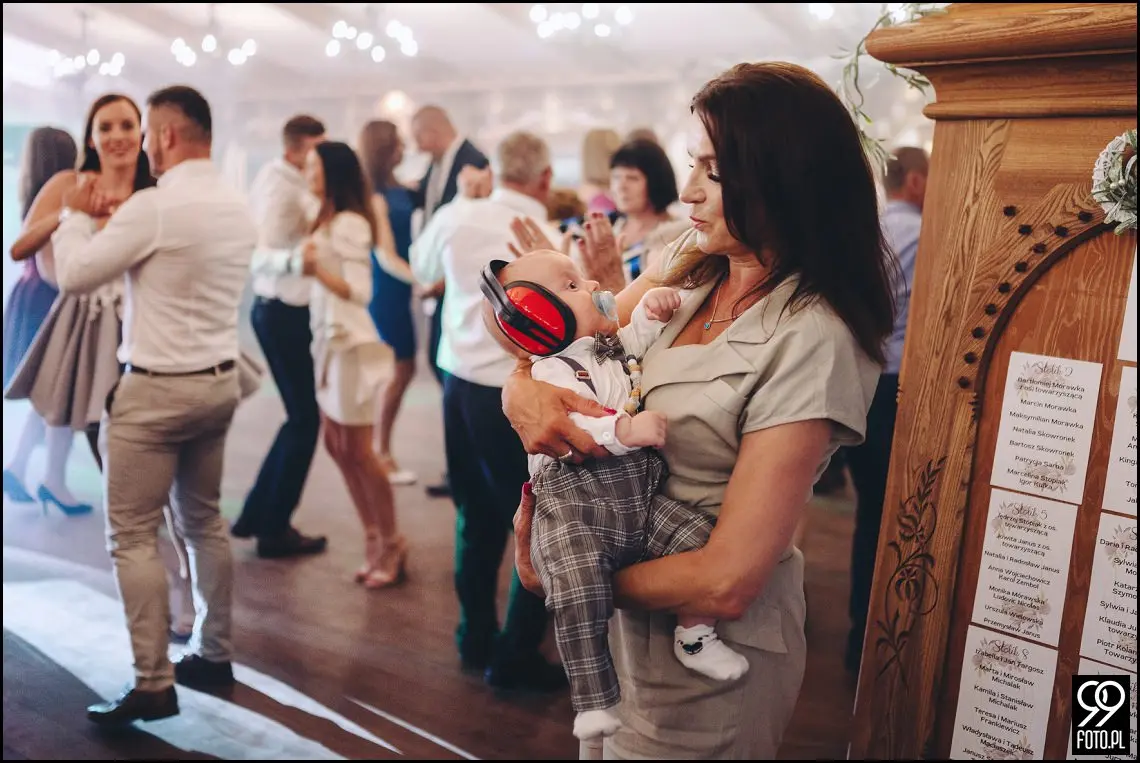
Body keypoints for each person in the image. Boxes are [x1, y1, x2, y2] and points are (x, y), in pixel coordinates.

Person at [501, 62, 897, 758]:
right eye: (693, 164)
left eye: (713, 172)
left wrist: (569, 577)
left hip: (710, 664)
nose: (687, 191)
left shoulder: (813, 337)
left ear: (784, 179)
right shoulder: (690, 257)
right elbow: (583, 347)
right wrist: (521, 383)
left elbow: (728, 577)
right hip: (622, 644)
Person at [54, 85, 257, 725]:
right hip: (218, 383)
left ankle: (152, 683)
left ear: (166, 135)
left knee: (132, 535)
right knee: (203, 522)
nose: (141, 146)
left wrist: (74, 217)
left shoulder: (155, 205)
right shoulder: (236, 206)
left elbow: (76, 274)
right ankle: (215, 652)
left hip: (156, 390)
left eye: (145, 134)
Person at [482, 251, 747, 741]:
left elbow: (635, 342)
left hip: (637, 494)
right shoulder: (549, 374)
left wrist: (652, 309)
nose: (592, 282)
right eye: (572, 285)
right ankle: (592, 699)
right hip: (574, 503)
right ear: (544, 317)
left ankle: (693, 632)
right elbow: (574, 425)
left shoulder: (605, 346)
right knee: (579, 586)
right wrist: (624, 427)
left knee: (697, 535)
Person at [409, 131, 566, 692]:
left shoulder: (459, 216)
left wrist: (458, 201)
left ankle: (474, 634)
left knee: (474, 515)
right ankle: (514, 655)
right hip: (514, 393)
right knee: (535, 525)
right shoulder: (550, 240)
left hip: (457, 385)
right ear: (545, 178)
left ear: (495, 171)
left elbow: (417, 261)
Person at [252, 141, 406, 589]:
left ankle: (392, 541)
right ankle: (373, 535)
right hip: (324, 343)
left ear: (332, 171)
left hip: (350, 346)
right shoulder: (323, 216)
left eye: (316, 165)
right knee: (338, 447)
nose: (309, 170)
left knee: (359, 450)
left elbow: (359, 291)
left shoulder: (352, 223)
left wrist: (315, 270)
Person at [5, 94, 157, 510]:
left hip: (142, 322)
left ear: (142, 131)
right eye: (105, 128)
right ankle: (118, 512)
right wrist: (70, 213)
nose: (116, 136)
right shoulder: (69, 184)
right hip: (82, 321)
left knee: (137, 430)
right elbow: (20, 248)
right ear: (90, 138)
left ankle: (136, 510)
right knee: (83, 420)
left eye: (126, 125)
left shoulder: (152, 192)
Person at [843, 146, 928, 673]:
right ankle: (891, 642)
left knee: (869, 511)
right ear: (916, 181)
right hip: (898, 385)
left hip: (859, 383)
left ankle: (860, 637)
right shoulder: (926, 234)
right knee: (899, 512)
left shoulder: (864, 232)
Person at [233, 114, 329, 559]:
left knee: (300, 418)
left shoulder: (288, 178)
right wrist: (296, 263)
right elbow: (259, 252)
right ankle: (272, 528)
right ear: (295, 149)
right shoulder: (279, 186)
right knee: (305, 420)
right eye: (316, 149)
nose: (321, 159)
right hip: (279, 311)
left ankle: (260, 516)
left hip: (284, 311)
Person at [409, 104, 490, 499]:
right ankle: (459, 467)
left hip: (455, 285)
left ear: (435, 129)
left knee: (453, 374)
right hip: (438, 278)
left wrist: (440, 279)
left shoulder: (473, 161)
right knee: (440, 365)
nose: (415, 144)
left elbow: (469, 232)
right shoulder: (438, 164)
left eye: (418, 135)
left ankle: (468, 470)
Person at [3, 126, 82, 510]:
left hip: (30, 295)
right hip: (50, 299)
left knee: (47, 395)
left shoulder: (34, 195)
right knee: (56, 394)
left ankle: (24, 468)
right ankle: (48, 477)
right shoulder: (64, 194)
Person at [358, 119, 419, 485]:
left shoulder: (398, 188)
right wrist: (422, 281)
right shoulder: (374, 195)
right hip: (387, 289)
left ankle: (380, 449)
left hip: (399, 288)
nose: (403, 149)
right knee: (397, 370)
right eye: (396, 144)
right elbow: (385, 255)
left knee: (403, 369)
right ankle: (379, 452)